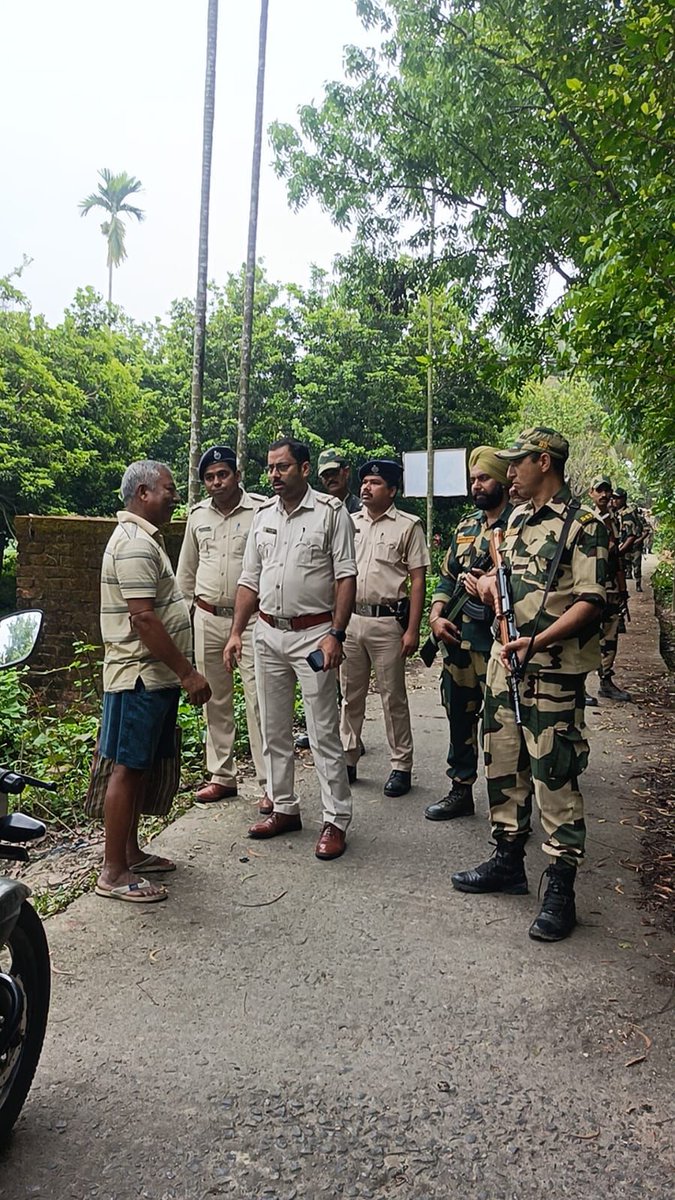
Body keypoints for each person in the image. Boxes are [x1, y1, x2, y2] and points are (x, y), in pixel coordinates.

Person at [451, 427, 608, 942]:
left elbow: (590, 601)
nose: (508, 471)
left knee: (554, 774)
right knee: (501, 760)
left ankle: (560, 885)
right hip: (506, 663)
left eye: (517, 462)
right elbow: (508, 579)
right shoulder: (515, 520)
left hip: (552, 673)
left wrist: (537, 641)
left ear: (544, 462)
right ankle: (508, 860)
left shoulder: (583, 525)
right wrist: (498, 596)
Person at [223, 437, 356, 860]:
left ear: (303, 468)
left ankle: (335, 819)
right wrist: (236, 632)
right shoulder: (263, 517)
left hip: (313, 634)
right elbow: (249, 580)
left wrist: (336, 633)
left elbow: (345, 577)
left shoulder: (331, 514)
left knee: (322, 731)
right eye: (271, 468)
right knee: (272, 727)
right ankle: (283, 807)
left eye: (282, 467)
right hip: (268, 633)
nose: (274, 475)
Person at [95, 461, 211, 904]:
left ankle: (130, 853)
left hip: (151, 677)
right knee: (127, 768)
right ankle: (113, 871)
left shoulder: (144, 540)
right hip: (138, 676)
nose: (175, 495)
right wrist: (188, 673)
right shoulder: (133, 545)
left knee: (139, 765)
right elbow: (143, 618)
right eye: (168, 488)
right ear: (143, 492)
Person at [424, 447, 514, 821]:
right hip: (458, 643)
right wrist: (436, 614)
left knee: (502, 727)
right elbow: (446, 576)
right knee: (460, 717)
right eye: (473, 478)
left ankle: (509, 805)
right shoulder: (466, 526)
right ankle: (461, 789)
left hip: (497, 645)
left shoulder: (520, 526)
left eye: (485, 478)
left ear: (504, 481)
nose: (477, 485)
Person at [176, 446, 268, 807]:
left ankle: (269, 784)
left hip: (252, 621)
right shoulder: (197, 517)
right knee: (213, 698)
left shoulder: (260, 511)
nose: (216, 482)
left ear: (237, 475)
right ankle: (222, 775)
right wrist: (186, 620)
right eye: (210, 477)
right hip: (207, 616)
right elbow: (186, 572)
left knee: (260, 700)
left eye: (222, 474)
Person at [339, 459, 429, 797]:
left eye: (375, 483)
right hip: (351, 621)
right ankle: (348, 757)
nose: (366, 488)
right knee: (350, 695)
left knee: (393, 697)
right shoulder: (349, 523)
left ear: (391, 490)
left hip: (387, 621)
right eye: (364, 482)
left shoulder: (408, 526)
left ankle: (401, 765)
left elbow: (418, 580)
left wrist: (412, 630)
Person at [588, 477, 631, 702]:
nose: (604, 495)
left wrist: (623, 589)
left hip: (611, 586)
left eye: (608, 491)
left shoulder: (613, 519)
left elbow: (617, 558)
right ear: (591, 492)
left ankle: (605, 680)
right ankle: (578, 687)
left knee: (610, 634)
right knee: (585, 636)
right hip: (591, 586)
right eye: (599, 490)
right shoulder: (585, 519)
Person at [317, 448, 363, 514]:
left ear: (346, 472)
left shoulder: (362, 509)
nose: (330, 479)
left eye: (334, 473)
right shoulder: (318, 511)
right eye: (325, 475)